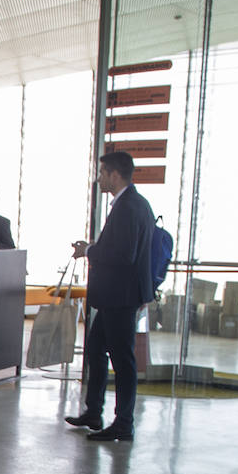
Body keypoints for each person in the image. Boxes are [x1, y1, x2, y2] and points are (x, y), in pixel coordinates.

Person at [64, 150, 155, 442]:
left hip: (121, 297)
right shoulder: (133, 204)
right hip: (117, 297)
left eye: (102, 173)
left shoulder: (128, 207)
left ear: (115, 175)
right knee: (95, 350)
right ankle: (94, 411)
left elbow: (123, 255)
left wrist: (88, 250)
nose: (99, 178)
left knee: (122, 359)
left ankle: (124, 422)